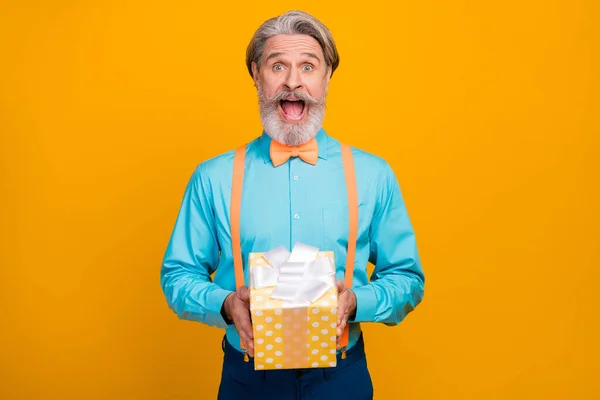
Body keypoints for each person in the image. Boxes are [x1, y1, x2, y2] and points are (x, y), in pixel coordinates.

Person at [160, 10, 425, 399]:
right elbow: (177, 275)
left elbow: (408, 278)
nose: (293, 82)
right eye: (278, 65)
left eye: (308, 66)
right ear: (256, 74)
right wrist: (225, 303)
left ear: (327, 76)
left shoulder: (373, 175)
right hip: (246, 380)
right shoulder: (213, 177)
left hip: (341, 379)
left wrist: (356, 302)